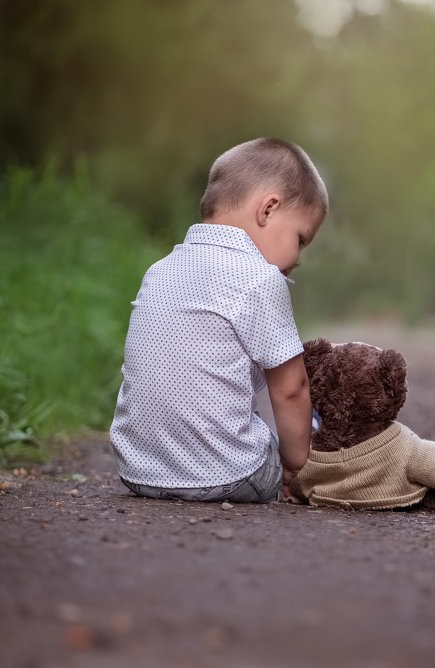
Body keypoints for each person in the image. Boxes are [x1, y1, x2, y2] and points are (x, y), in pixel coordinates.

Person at [109, 137, 327, 503]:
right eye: (301, 239)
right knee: (311, 426)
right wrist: (295, 467)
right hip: (229, 474)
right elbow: (291, 389)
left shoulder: (159, 270)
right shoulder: (261, 278)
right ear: (268, 209)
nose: (298, 258)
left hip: (138, 471)